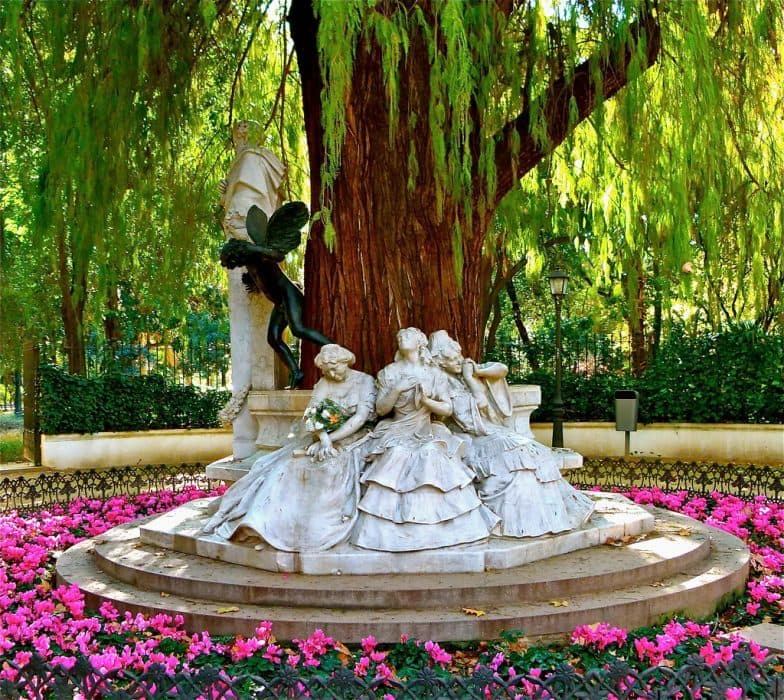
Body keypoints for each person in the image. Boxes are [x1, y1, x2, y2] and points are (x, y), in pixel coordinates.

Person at [202, 344, 375, 551]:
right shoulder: (324, 382)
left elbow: (360, 418)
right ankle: (256, 523)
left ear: (346, 362)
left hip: (353, 438)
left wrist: (329, 440)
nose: (331, 373)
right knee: (277, 468)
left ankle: (306, 532)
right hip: (320, 439)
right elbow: (312, 414)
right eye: (326, 370)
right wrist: (322, 438)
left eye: (335, 368)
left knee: (326, 470)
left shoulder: (364, 382)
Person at [428, 330, 594, 537]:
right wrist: (471, 379)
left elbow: (501, 369)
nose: (459, 361)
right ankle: (518, 522)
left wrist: (476, 371)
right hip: (466, 434)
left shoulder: (463, 374)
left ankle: (546, 516)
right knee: (518, 454)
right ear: (441, 362)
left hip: (486, 431)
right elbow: (471, 414)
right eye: (452, 359)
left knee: (533, 451)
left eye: (459, 355)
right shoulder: (442, 382)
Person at [351, 328, 498, 552]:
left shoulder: (434, 374)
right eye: (399, 336)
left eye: (407, 335)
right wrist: (397, 389)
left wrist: (427, 402)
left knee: (433, 453)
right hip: (397, 428)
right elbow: (381, 409)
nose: (401, 337)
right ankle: (390, 533)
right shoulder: (388, 373)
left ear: (420, 343)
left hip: (426, 428)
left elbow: (447, 409)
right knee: (396, 454)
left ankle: (437, 529)